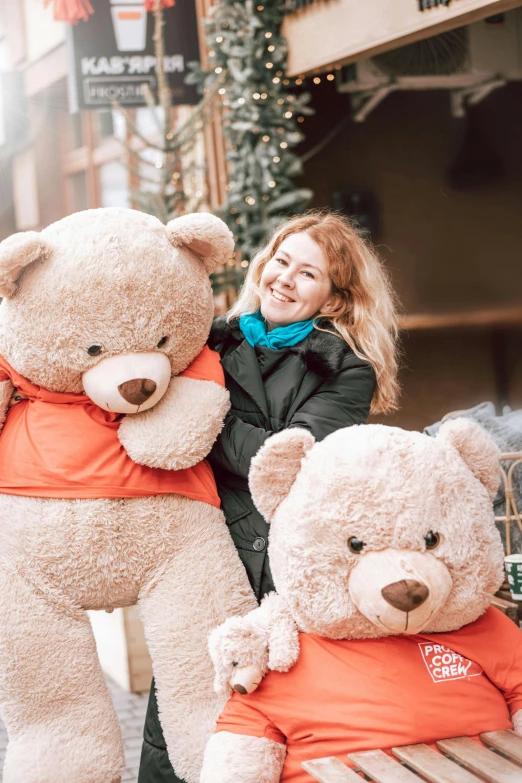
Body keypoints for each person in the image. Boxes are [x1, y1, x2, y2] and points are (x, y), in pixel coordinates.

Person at [138, 210, 400, 783]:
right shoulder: (208, 341)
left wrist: (194, 416)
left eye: (308, 274)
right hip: (198, 555)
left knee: (268, 733)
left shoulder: (346, 370)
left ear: (333, 300)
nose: (284, 278)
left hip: (278, 576)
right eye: (281, 261)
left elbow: (286, 465)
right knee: (181, 718)